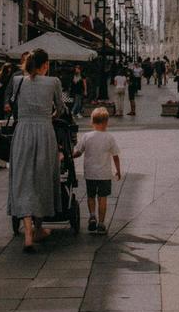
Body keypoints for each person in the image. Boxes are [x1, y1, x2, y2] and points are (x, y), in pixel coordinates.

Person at [7, 48, 64, 253]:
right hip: (44, 131)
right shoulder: (53, 82)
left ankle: (28, 233)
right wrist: (48, 115)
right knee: (42, 177)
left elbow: (13, 106)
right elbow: (61, 108)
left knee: (23, 178)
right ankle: (39, 228)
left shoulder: (18, 81)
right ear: (45, 64)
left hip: (22, 131)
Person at [74, 106, 121, 235]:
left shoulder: (87, 136)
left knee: (90, 196)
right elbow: (115, 155)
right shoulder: (109, 137)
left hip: (90, 174)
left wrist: (68, 156)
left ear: (92, 122)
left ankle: (92, 215)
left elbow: (78, 152)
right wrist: (118, 170)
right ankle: (101, 223)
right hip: (104, 175)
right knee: (102, 198)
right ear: (106, 122)